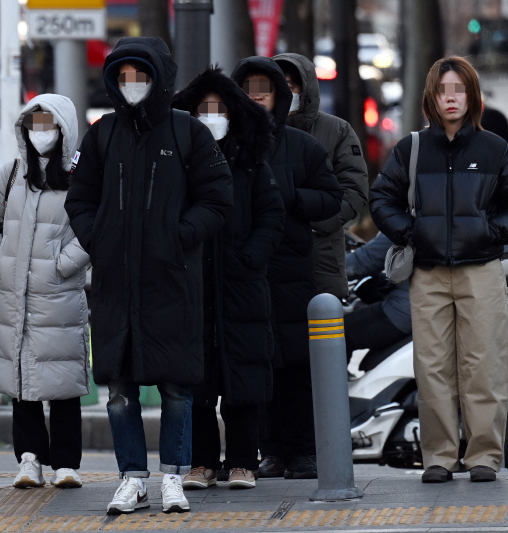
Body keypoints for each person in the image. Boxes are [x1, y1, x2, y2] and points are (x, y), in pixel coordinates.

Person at [65, 38, 233, 514]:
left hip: (172, 282)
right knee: (119, 391)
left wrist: (180, 236)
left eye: (141, 76)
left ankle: (173, 477)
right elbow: (79, 198)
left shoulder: (187, 132)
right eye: (124, 77)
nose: (133, 85)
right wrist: (101, 238)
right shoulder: (101, 134)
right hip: (117, 285)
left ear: (159, 79)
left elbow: (218, 197)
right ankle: (132, 477)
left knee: (178, 387)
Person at [369, 56, 508, 483]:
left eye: (459, 89)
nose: (451, 97)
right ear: (432, 96)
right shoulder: (412, 149)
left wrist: (491, 232)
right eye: (444, 89)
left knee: (484, 366)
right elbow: (381, 199)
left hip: (480, 270)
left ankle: (483, 456)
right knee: (433, 368)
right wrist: (411, 232)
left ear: (472, 96)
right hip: (426, 274)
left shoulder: (494, 148)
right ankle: (439, 458)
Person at [170, 66, 285, 490]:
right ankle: (201, 463)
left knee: (244, 380)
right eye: (204, 110)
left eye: (220, 109)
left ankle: (242, 462)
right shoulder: (179, 165)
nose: (212, 117)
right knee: (196, 381)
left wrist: (250, 257)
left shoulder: (252, 164)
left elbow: (272, 216)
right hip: (192, 287)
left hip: (242, 287)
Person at [231, 57, 343, 479]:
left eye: (265, 87)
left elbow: (332, 198)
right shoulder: (227, 144)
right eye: (247, 87)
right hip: (243, 271)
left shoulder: (301, 145)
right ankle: (270, 449)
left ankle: (302, 451)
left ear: (280, 94)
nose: (256, 95)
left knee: (298, 366)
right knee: (259, 364)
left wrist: (294, 198)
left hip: (294, 269)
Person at [0, 94, 90, 489]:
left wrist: (63, 264)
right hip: (14, 294)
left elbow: (95, 228)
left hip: (59, 294)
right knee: (21, 381)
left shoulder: (81, 176)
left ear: (64, 128)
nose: (41, 132)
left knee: (62, 381)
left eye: (49, 124)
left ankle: (67, 463)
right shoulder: (9, 175)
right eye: (34, 124)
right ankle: (29, 459)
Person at [273, 53, 369, 299]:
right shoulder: (258, 132)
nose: (286, 92)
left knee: (323, 326)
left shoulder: (337, 130)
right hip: (272, 249)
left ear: (305, 90)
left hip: (321, 252)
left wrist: (317, 225)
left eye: (291, 85)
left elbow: (354, 189)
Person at [344, 231, 412, 363]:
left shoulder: (407, 222)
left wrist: (321, 272)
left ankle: (333, 383)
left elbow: (365, 260)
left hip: (408, 310)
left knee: (334, 335)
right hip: (436, 309)